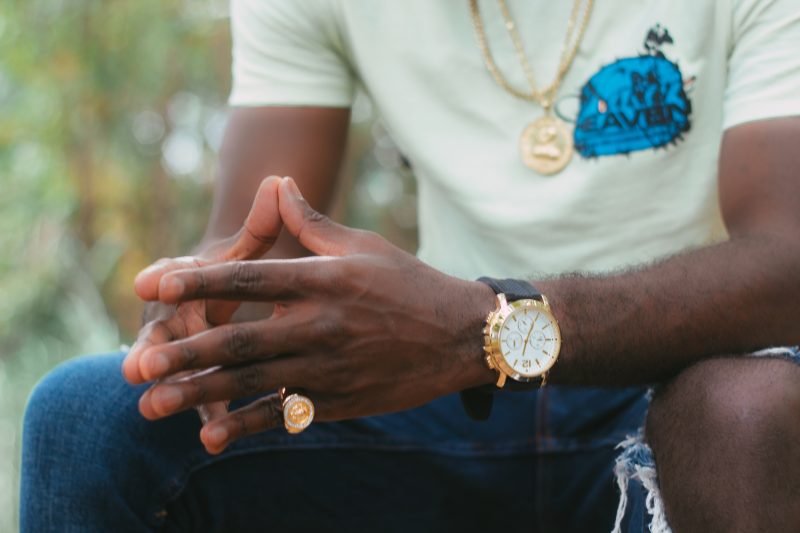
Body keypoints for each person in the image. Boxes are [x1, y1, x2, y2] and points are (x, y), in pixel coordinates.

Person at [21, 1, 800, 531]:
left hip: (671, 382)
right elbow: (254, 239)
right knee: (88, 418)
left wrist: (482, 326)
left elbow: (787, 258)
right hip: (432, 389)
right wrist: (204, 305)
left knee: (748, 416)